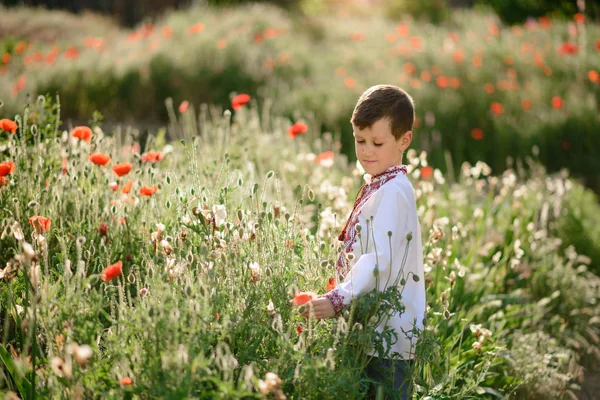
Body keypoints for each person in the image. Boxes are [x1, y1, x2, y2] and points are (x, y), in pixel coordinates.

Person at [299, 84, 426, 399]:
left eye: (377, 142)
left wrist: (339, 297)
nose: (366, 151)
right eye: (360, 141)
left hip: (389, 331)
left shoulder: (395, 190)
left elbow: (378, 259)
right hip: (371, 321)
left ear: (404, 140)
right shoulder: (381, 183)